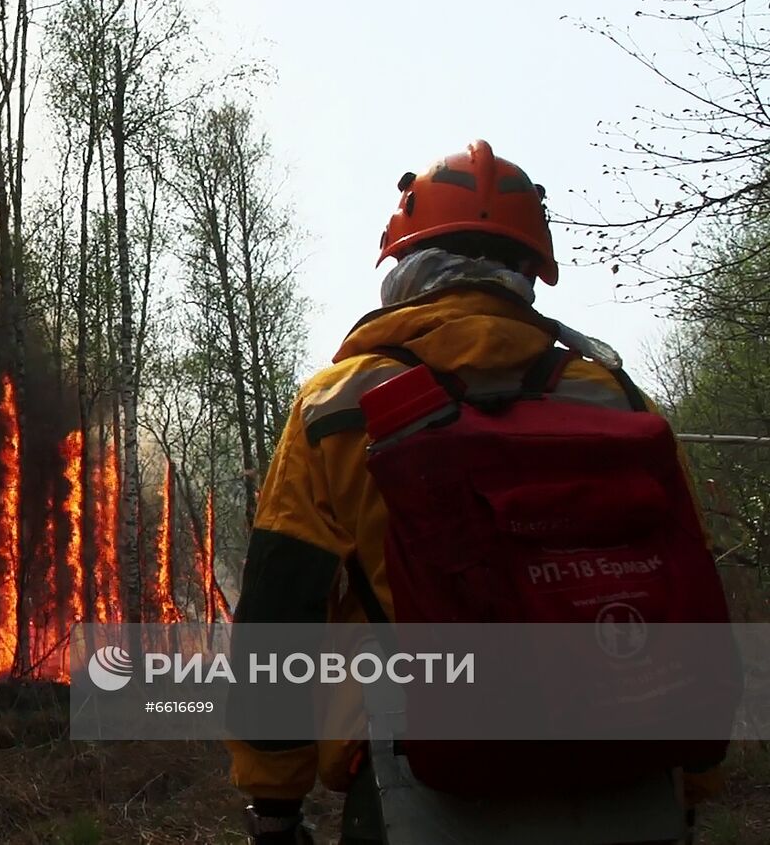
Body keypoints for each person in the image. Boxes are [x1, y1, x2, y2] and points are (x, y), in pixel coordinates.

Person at [228, 140, 725, 844]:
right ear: (528, 269)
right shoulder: (614, 398)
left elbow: (279, 613)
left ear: (404, 262)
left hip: (417, 784)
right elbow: (689, 589)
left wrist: (274, 801)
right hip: (630, 773)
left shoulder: (338, 404)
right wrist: (692, 778)